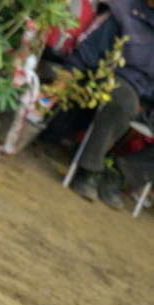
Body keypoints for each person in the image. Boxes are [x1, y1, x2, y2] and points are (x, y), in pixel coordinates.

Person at [62, 0, 154, 208]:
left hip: (147, 96)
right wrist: (68, 73)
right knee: (125, 101)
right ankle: (89, 170)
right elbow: (90, 50)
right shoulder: (125, 11)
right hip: (116, 78)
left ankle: (119, 174)